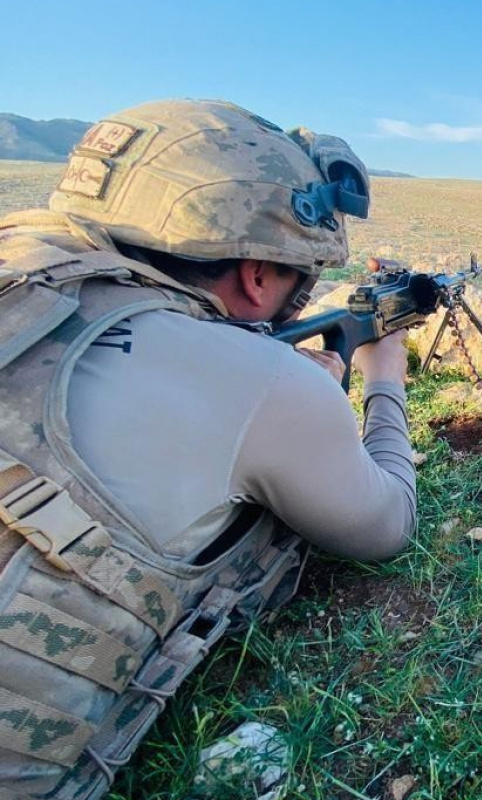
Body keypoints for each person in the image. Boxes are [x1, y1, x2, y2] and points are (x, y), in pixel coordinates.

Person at [0, 100, 417, 798]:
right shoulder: (266, 383)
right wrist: (383, 376)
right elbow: (388, 526)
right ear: (257, 275)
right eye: (298, 279)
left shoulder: (21, 259)